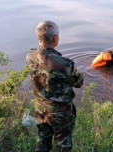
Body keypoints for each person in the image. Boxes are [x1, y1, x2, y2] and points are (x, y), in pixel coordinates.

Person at [26, 21, 83, 152]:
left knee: (42, 141)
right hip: (61, 113)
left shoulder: (30, 56)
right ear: (55, 38)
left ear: (38, 36)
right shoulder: (64, 64)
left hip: (40, 109)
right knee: (63, 145)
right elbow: (79, 82)